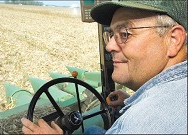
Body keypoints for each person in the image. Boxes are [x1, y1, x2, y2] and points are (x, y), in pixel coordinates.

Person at [21, 0, 187, 134]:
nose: (109, 46)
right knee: (93, 129)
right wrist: (130, 101)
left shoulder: (141, 122)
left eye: (125, 34)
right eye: (111, 34)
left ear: (173, 40)